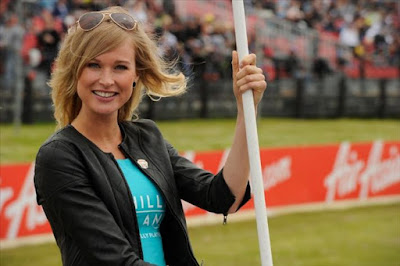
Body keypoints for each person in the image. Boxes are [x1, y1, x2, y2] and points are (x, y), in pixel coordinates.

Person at [34, 6, 267, 266]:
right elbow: (115, 260)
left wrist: (247, 111)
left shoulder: (147, 137)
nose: (107, 79)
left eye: (120, 67)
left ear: (136, 75)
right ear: (74, 70)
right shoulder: (59, 156)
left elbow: (223, 197)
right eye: (94, 65)